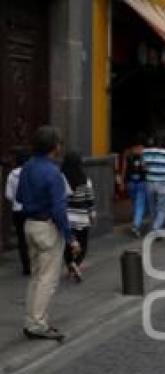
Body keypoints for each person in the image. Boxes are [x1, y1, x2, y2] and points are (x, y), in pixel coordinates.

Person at [17, 126, 81, 341]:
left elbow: (18, 196)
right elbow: (58, 209)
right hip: (47, 226)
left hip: (29, 224)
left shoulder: (27, 167)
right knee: (47, 279)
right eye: (59, 143)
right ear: (54, 147)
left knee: (36, 276)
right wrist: (70, 237)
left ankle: (32, 320)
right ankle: (38, 324)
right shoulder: (53, 172)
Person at [60, 152, 95, 282]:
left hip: (66, 217)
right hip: (81, 217)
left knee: (68, 244)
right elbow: (90, 199)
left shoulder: (61, 178)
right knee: (83, 244)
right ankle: (76, 264)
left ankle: (71, 264)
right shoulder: (85, 179)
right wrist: (92, 213)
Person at [4, 150, 31, 275]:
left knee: (21, 239)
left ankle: (26, 266)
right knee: (32, 237)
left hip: (17, 210)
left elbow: (8, 195)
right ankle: (34, 263)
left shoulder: (11, 175)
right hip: (30, 209)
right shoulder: (31, 173)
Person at [141, 137, 165, 233]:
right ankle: (156, 228)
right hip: (162, 182)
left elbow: (143, 167)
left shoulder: (144, 152)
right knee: (162, 208)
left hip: (149, 182)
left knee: (152, 207)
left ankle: (155, 228)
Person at [121, 135, 147, 238]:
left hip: (130, 183)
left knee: (135, 203)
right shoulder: (144, 152)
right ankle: (136, 225)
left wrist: (122, 182)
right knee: (139, 205)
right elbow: (146, 168)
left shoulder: (127, 153)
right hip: (141, 182)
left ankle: (136, 221)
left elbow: (124, 168)